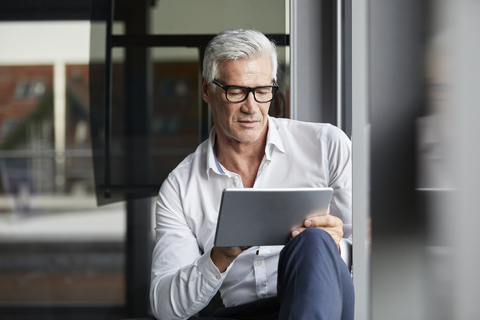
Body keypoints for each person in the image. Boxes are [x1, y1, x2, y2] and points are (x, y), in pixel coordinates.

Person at [150, 29, 354, 320]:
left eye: (262, 91)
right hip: (244, 313)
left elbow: (376, 253)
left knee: (313, 242)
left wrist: (335, 249)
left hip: (324, 303)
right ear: (207, 90)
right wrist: (220, 256)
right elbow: (165, 306)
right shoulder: (181, 186)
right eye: (236, 91)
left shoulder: (326, 146)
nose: (251, 107)